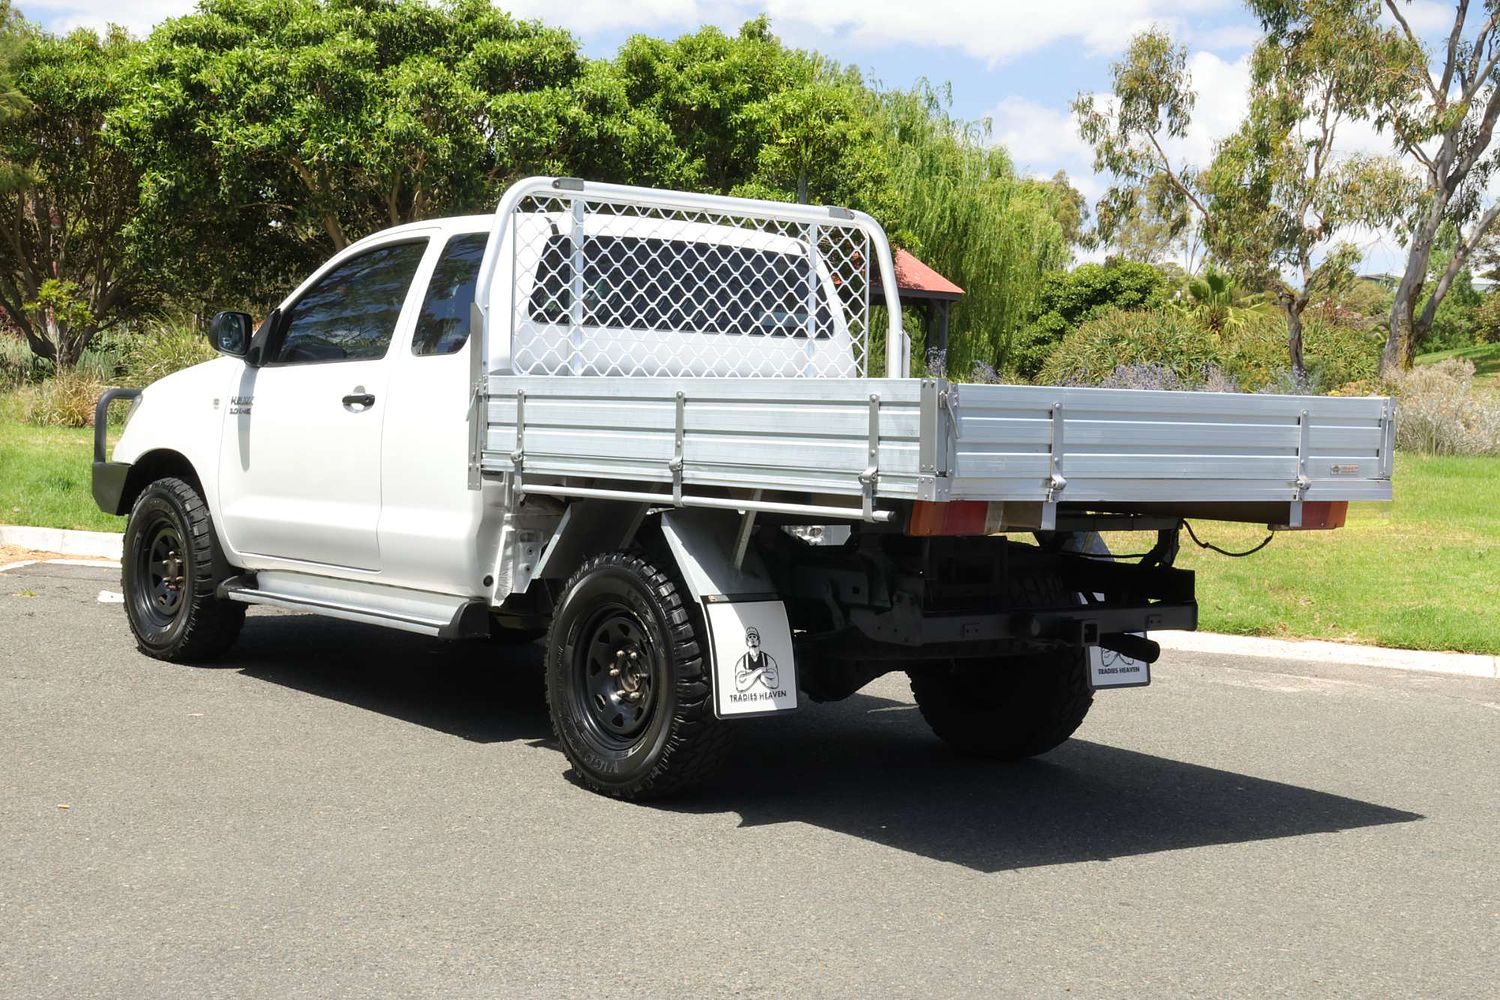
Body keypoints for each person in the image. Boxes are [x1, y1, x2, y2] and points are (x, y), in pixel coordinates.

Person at [733, 626, 779, 693]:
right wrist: (760, 671)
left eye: (754, 637)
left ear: (759, 640)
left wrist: (749, 675)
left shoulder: (768, 659)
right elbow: (740, 686)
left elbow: (775, 683)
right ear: (746, 642)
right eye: (750, 637)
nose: (752, 639)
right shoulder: (742, 661)